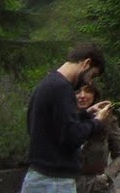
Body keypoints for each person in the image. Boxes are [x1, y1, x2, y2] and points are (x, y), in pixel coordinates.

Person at [23, 41, 110, 193]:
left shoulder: (49, 83)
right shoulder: (62, 89)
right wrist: (97, 122)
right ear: (86, 63)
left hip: (39, 176)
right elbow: (71, 136)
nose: (90, 81)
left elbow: (54, 126)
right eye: (92, 75)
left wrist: (86, 114)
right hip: (54, 182)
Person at [74, 81, 120, 193]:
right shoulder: (65, 121)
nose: (82, 96)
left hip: (98, 186)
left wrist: (107, 176)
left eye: (88, 91)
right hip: (69, 184)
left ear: (94, 95)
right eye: (77, 92)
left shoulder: (108, 120)